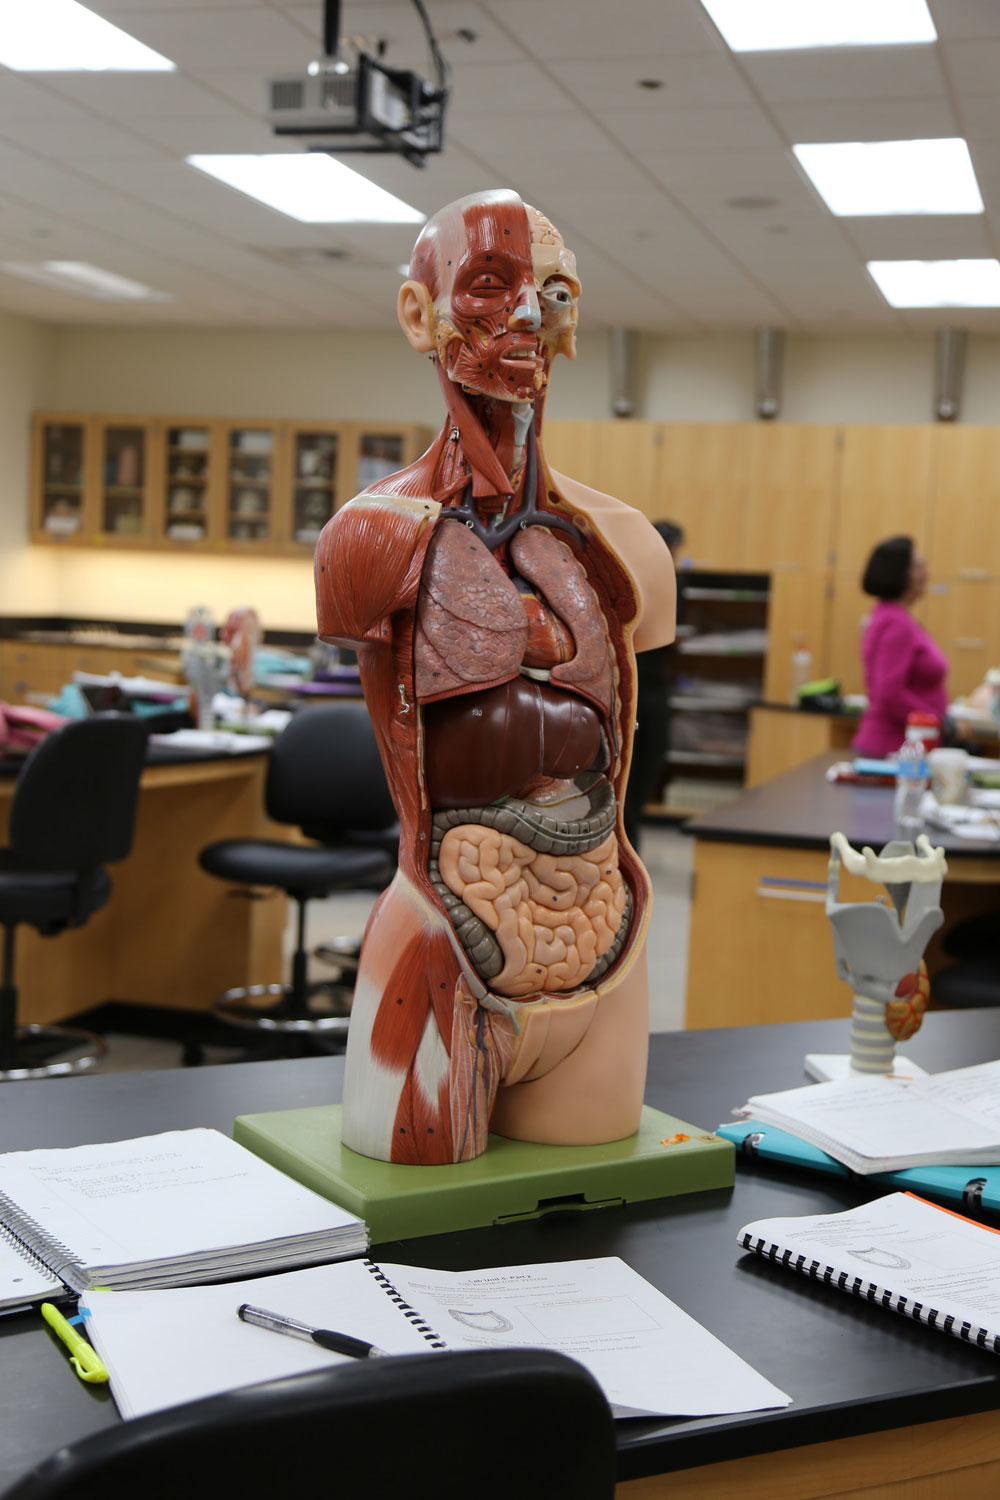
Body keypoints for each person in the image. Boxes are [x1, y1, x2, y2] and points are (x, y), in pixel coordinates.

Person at [314, 190, 676, 1166]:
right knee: (420, 1259)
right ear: (416, 313)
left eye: (550, 293)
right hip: (442, 941)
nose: (524, 317)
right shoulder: (371, 538)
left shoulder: (626, 547)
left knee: (589, 1247)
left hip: (605, 939)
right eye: (488, 286)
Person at [852, 535, 948, 757]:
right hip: (891, 747)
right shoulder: (896, 623)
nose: (926, 575)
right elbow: (890, 694)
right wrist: (938, 720)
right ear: (898, 573)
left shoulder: (892, 617)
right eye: (917, 567)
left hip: (902, 747)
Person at [622, 520, 684, 852]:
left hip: (651, 690)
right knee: (627, 790)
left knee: (640, 782)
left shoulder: (670, 581)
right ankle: (627, 857)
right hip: (635, 690)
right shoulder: (631, 579)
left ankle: (630, 856)